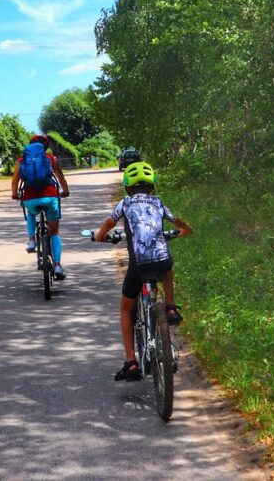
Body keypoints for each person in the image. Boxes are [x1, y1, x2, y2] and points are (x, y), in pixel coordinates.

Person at [93, 161, 192, 382]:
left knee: (126, 309)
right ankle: (170, 308)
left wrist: (99, 236)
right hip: (161, 261)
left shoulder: (125, 203)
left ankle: (131, 361)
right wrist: (186, 229)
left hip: (138, 265)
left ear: (127, 186)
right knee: (166, 266)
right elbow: (176, 220)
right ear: (152, 186)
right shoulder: (158, 202)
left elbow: (109, 225)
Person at [11, 134, 71, 279]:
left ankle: (32, 241)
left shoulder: (22, 160)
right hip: (50, 198)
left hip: (30, 199)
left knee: (31, 213)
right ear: (45, 147)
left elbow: (15, 182)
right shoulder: (51, 159)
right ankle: (57, 265)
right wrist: (65, 191)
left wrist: (14, 194)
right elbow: (61, 177)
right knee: (54, 232)